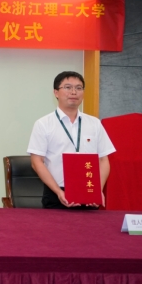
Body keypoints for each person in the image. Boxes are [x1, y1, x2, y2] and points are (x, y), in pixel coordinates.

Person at [27, 71, 116, 209]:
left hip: (89, 192)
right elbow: (36, 162)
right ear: (56, 92)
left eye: (79, 88)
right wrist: (58, 192)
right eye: (68, 87)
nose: (74, 92)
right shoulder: (43, 124)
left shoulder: (94, 123)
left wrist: (97, 190)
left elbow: (103, 159)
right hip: (56, 194)